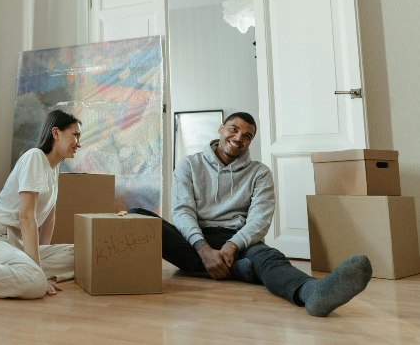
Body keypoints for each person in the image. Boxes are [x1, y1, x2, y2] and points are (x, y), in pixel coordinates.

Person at [130, 112, 372, 317]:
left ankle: (312, 293)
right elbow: (182, 210)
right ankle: (234, 269)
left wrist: (230, 247)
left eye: (247, 136)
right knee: (137, 216)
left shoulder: (260, 173)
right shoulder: (189, 165)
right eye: (233, 130)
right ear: (221, 128)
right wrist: (203, 249)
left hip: (238, 240)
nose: (238, 139)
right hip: (195, 239)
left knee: (269, 257)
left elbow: (259, 219)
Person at [0, 110, 81, 299]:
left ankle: (28, 271)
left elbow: (49, 219)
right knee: (35, 282)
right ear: (56, 133)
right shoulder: (35, 157)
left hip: (18, 243)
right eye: (75, 135)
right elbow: (26, 216)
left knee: (82, 254)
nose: (79, 143)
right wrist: (38, 271)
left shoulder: (54, 169)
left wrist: (40, 258)